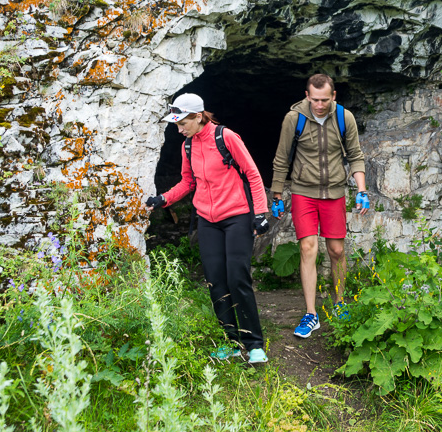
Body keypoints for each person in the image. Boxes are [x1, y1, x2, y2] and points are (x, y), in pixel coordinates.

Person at [145, 93, 270, 364]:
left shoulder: (226, 138)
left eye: (182, 123)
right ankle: (231, 343)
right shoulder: (188, 146)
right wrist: (163, 199)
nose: (178, 129)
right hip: (207, 220)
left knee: (237, 277)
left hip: (237, 215)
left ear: (198, 117)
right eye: (176, 124)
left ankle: (255, 344)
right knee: (215, 281)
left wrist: (260, 213)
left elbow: (252, 174)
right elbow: (187, 182)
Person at [271, 74, 369, 339]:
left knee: (336, 250)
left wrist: (361, 190)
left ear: (333, 96)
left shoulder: (343, 117)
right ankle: (311, 313)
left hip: (334, 192)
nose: (319, 105)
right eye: (315, 99)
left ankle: (339, 304)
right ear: (307, 95)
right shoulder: (295, 118)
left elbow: (356, 155)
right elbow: (281, 159)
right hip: (304, 191)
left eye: (325, 99)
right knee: (307, 247)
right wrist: (277, 194)